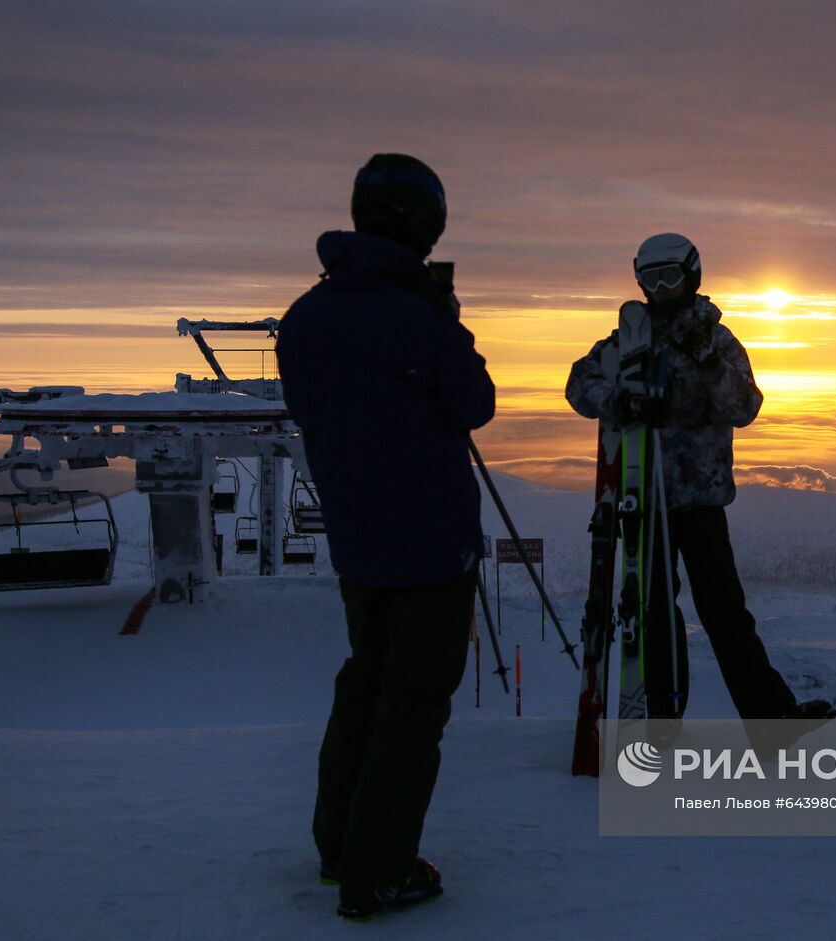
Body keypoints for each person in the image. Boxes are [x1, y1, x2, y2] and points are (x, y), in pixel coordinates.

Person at [275, 154, 494, 922]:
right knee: (414, 703)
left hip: (358, 543)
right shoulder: (416, 317)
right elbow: (474, 403)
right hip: (431, 543)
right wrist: (447, 321)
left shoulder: (305, 316)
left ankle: (340, 847)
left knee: (365, 682)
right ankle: (379, 869)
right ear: (422, 226)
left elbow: (315, 411)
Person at [565, 232, 831, 722]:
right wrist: (621, 401)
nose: (661, 288)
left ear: (692, 276)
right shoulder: (627, 341)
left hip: (700, 500)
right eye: (651, 278)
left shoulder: (715, 341)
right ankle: (664, 719)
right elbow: (579, 385)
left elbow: (745, 406)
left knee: (724, 613)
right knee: (655, 616)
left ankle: (770, 718)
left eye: (670, 277)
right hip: (643, 501)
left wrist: (707, 362)